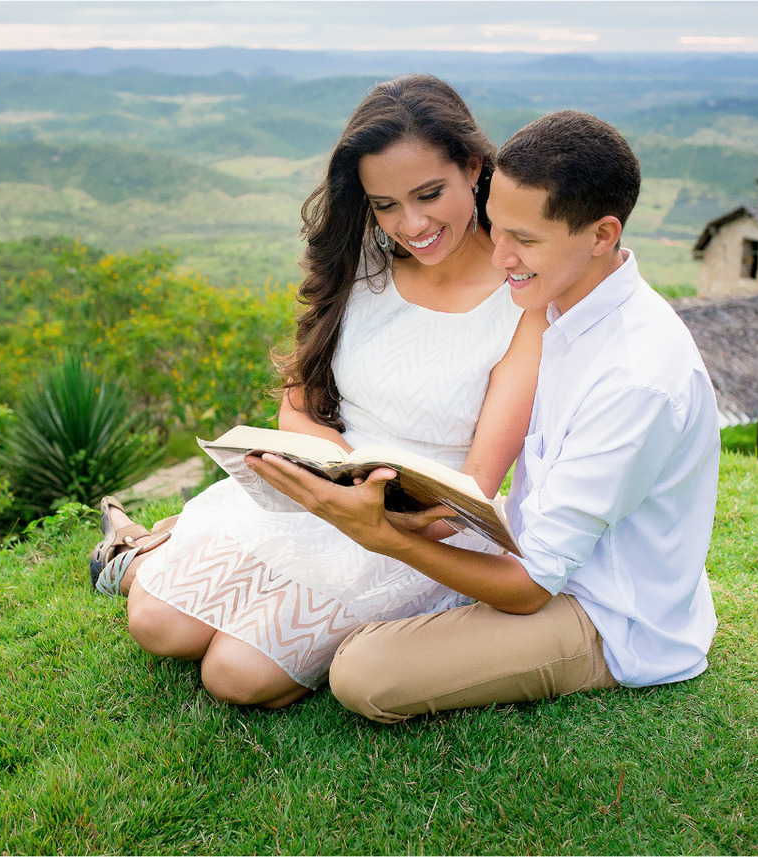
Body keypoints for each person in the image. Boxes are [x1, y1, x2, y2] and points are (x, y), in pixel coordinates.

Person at [88, 74, 549, 709]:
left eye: (429, 194)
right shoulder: (363, 266)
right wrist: (329, 468)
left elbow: (474, 488)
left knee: (235, 677)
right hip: (323, 482)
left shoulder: (522, 304)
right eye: (385, 205)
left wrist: (377, 513)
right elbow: (298, 403)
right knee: (156, 625)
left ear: (473, 168)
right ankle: (140, 551)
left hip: (417, 525)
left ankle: (154, 549)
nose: (411, 224)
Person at [249, 109, 720, 723]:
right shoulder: (559, 308)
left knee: (365, 675)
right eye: (495, 228)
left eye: (524, 240)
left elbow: (531, 588)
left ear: (603, 235)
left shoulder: (636, 377)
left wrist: (383, 536)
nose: (499, 257)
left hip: (604, 614)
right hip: (526, 559)